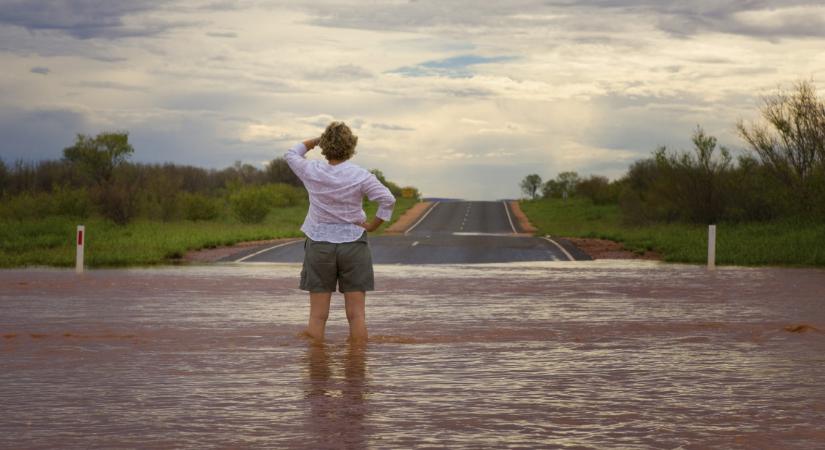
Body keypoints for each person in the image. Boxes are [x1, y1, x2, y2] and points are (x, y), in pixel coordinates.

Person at [285, 121, 395, 343]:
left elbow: (291, 153)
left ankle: (316, 372)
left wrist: (317, 140)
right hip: (354, 244)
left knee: (317, 316)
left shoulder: (311, 170)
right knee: (356, 316)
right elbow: (388, 200)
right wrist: (373, 226)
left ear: (325, 146)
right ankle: (357, 369)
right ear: (351, 147)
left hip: (319, 243)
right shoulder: (361, 175)